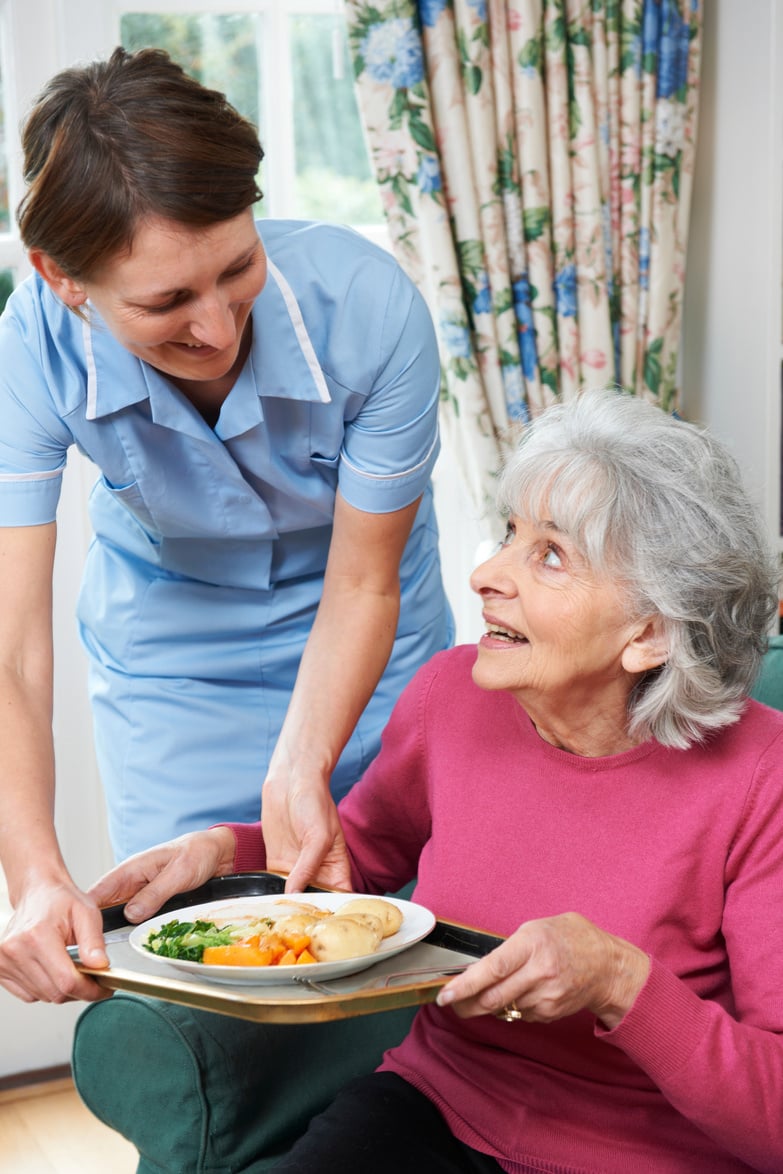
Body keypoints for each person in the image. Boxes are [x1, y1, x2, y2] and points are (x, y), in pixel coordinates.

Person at [70, 389, 783, 1172]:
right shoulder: (451, 695)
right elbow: (361, 864)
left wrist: (618, 981)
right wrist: (225, 854)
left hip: (643, 1153)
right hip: (439, 1105)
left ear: (648, 633)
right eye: (509, 534)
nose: (485, 574)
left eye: (548, 553)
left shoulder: (760, 780)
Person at [0, 48, 452, 1002]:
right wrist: (35, 877)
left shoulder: (368, 309)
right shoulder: (28, 353)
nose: (216, 329)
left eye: (235, 268)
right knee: (202, 960)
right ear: (60, 277)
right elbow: (12, 651)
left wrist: (302, 764)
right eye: (165, 303)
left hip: (368, 634)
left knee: (381, 946)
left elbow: (363, 581)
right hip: (172, 659)